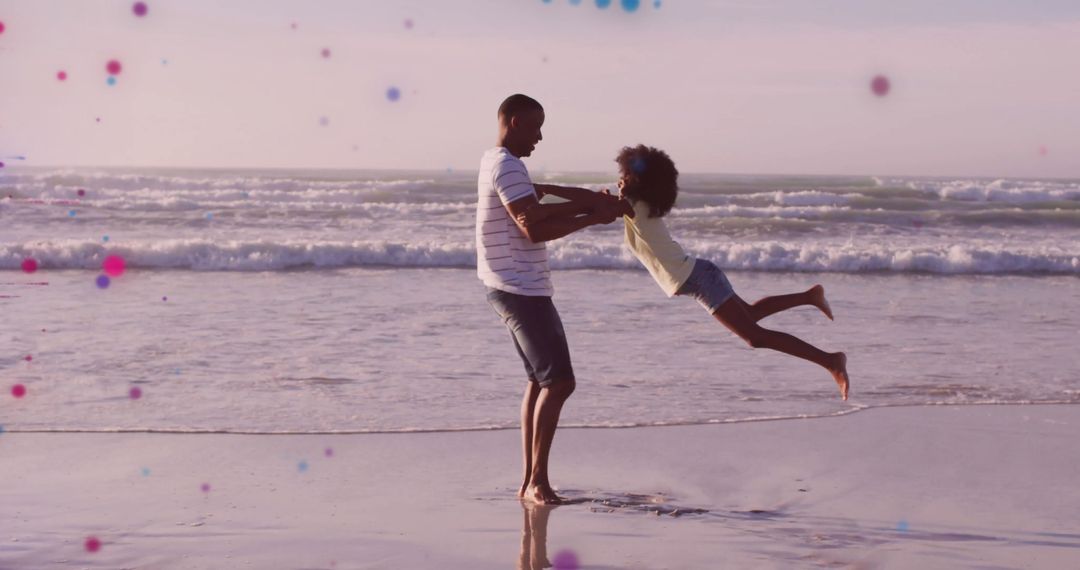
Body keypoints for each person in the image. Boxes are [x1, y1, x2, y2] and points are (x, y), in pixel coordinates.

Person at [518, 144, 850, 400]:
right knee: (750, 314)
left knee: (754, 337)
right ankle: (810, 296)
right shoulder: (632, 204)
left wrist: (540, 190)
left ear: (639, 184)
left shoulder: (632, 203)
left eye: (625, 177)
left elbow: (588, 203)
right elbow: (592, 203)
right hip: (700, 277)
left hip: (700, 279)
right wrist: (544, 194)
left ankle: (830, 361)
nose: (619, 181)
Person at [477, 94, 622, 505]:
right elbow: (533, 228)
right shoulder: (507, 165)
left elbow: (539, 197)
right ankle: (536, 482)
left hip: (512, 286)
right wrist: (593, 215)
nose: (541, 137)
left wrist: (592, 202)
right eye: (537, 127)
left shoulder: (497, 161)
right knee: (559, 382)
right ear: (517, 121)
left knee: (539, 382)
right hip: (519, 289)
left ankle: (530, 481)